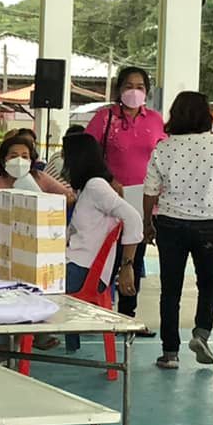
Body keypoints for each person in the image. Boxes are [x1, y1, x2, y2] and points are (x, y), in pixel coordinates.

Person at [143, 92, 213, 371]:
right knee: (208, 283)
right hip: (209, 223)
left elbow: (150, 191)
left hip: (171, 223)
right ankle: (201, 333)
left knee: (171, 290)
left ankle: (170, 353)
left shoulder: (164, 148)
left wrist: (148, 223)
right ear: (206, 115)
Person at [86, 66, 166, 321]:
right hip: (108, 201)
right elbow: (85, 153)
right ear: (119, 90)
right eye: (129, 86)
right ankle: (99, 312)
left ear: (147, 92)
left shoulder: (154, 119)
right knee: (106, 257)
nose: (134, 92)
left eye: (140, 87)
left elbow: (163, 155)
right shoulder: (104, 118)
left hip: (142, 200)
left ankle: (128, 316)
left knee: (135, 257)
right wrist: (108, 179)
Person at [57, 130, 141, 352]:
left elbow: (133, 217)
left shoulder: (97, 187)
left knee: (28, 285)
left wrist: (127, 266)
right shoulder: (87, 188)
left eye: (65, 155)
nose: (62, 161)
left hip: (84, 271)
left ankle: (25, 340)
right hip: (76, 264)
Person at [0, 128, 74, 213]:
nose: (19, 161)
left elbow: (69, 198)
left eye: (25, 156)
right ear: (4, 160)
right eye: (14, 156)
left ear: (31, 161)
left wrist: (44, 202)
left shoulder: (40, 178)